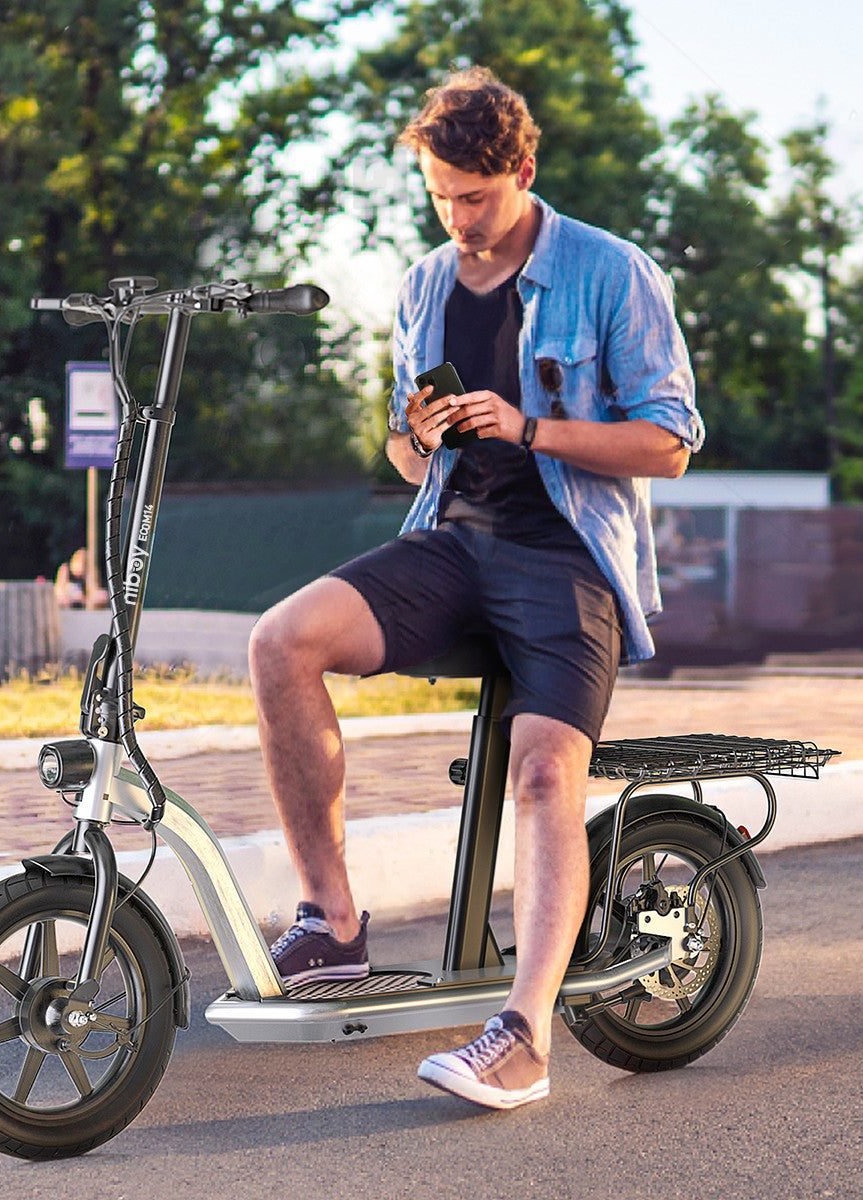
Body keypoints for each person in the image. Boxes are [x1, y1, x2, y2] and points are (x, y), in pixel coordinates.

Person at [248, 66, 703, 1111]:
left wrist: (530, 427)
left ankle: (524, 1035)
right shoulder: (422, 286)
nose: (457, 218)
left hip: (568, 559)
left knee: (544, 774)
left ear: (523, 173)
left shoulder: (609, 271)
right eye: (441, 195)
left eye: (475, 198)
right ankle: (334, 925)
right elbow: (411, 468)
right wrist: (418, 433)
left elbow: (671, 443)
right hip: (453, 541)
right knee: (282, 642)